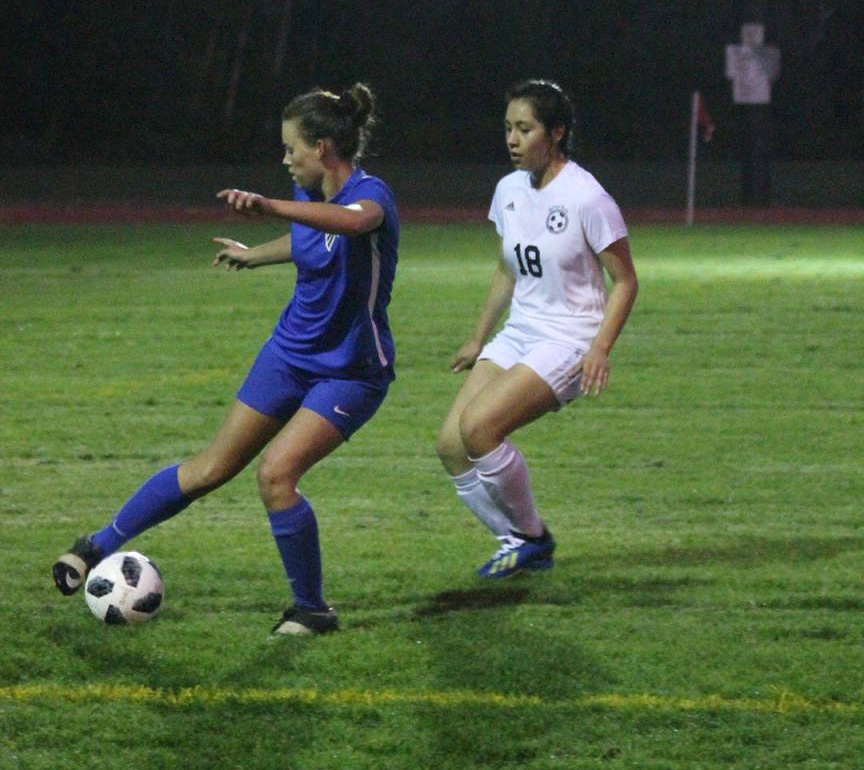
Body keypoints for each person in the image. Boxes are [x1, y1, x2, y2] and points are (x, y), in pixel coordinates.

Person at [53, 83, 399, 636]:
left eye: (292, 149)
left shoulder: (371, 196)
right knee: (210, 468)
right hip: (287, 354)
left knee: (277, 474)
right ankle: (93, 546)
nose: (285, 159)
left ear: (325, 147)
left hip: (350, 371)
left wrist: (266, 207)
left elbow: (352, 224)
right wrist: (254, 255)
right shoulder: (309, 200)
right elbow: (307, 241)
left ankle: (311, 608)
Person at [436, 79, 638, 579]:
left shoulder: (587, 197)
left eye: (525, 129)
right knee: (450, 445)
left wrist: (600, 348)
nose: (512, 139)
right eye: (508, 128)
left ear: (557, 133)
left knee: (481, 428)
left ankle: (531, 537)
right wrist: (478, 336)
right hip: (520, 332)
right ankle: (516, 542)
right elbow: (508, 268)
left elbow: (626, 282)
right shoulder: (507, 190)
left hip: (568, 339)